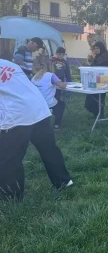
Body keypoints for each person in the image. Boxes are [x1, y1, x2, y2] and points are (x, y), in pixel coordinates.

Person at [0, 59, 72, 201]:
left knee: (9, 159)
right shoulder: (9, 64)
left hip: (17, 115)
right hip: (39, 108)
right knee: (49, 149)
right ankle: (63, 181)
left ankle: (11, 197)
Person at [32, 62, 67, 130]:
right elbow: (62, 86)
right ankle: (56, 124)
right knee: (61, 105)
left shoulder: (36, 75)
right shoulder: (51, 75)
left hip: (36, 102)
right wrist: (64, 83)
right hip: (47, 103)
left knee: (56, 100)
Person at [84, 42, 108, 117]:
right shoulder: (97, 57)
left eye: (97, 48)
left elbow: (98, 68)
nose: (95, 50)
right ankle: (96, 114)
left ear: (101, 48)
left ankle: (100, 115)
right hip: (96, 81)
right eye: (94, 48)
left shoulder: (105, 57)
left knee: (100, 99)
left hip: (103, 81)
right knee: (92, 97)